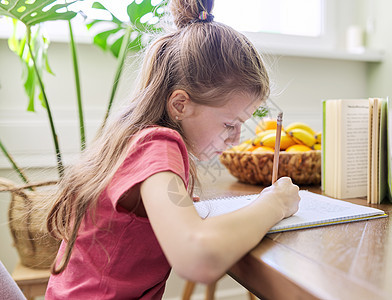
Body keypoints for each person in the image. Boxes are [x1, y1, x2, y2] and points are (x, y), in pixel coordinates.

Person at [45, 0, 301, 298]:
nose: (235, 139)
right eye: (230, 124)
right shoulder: (157, 146)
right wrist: (276, 204)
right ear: (181, 104)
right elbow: (198, 258)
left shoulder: (134, 136)